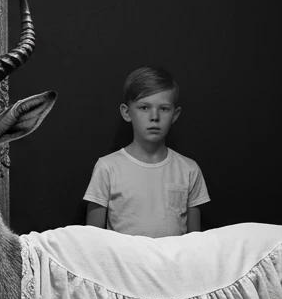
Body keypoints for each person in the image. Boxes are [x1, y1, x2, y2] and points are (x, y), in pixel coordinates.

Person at [83, 66, 210, 238]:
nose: (154, 116)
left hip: (173, 264)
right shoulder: (107, 168)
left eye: (164, 108)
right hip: (124, 264)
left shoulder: (189, 170)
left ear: (175, 114)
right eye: (144, 108)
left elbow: (196, 241)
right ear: (127, 112)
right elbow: (91, 239)